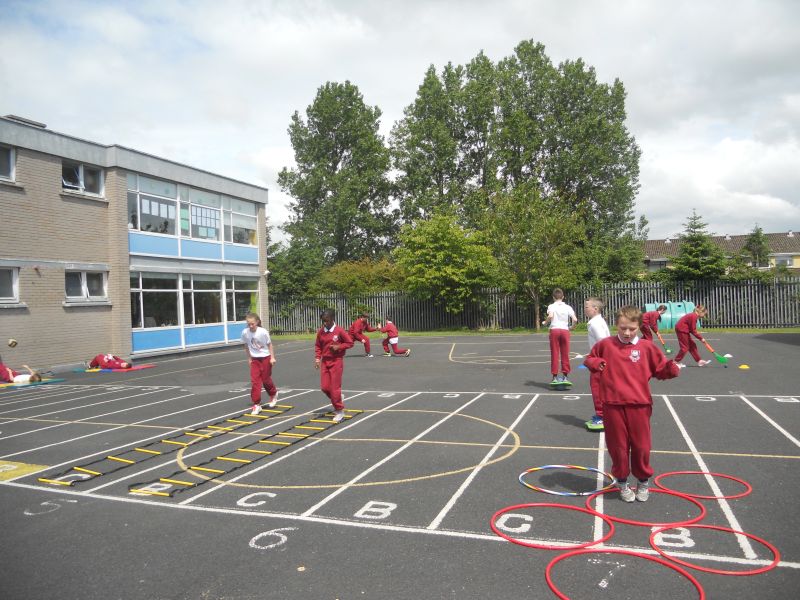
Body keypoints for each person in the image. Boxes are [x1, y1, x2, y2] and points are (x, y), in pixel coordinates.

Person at [584, 306, 680, 502]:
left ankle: (643, 481)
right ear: (616, 325)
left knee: (642, 446)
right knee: (618, 447)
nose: (627, 333)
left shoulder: (647, 347)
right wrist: (595, 363)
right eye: (623, 328)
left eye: (632, 329)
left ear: (639, 327)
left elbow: (660, 369)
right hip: (612, 405)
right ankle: (622, 482)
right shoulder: (605, 345)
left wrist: (672, 369)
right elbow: (590, 359)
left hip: (639, 405)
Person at [315, 308, 354, 422]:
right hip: (325, 362)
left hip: (336, 361)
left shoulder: (339, 331)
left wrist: (339, 347)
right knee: (324, 387)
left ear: (332, 319)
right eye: (323, 321)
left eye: (326, 320)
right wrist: (317, 358)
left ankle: (339, 411)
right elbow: (318, 345)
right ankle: (337, 398)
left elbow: (350, 343)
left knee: (334, 388)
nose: (325, 323)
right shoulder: (321, 332)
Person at [241, 311, 278, 416]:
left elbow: (269, 345)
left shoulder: (263, 332)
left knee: (266, 379)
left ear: (257, 322)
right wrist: (249, 358)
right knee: (255, 381)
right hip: (255, 359)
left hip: (265, 357)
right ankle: (256, 404)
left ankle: (273, 393)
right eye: (248, 324)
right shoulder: (245, 332)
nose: (250, 326)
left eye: (252, 324)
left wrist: (272, 357)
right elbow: (246, 346)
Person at [584, 297, 611, 430]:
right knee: (600, 388)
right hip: (599, 359)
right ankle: (602, 415)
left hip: (598, 361)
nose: (585, 309)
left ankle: (601, 416)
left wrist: (598, 359)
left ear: (595, 309)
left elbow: (603, 342)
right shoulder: (597, 321)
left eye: (587, 307)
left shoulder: (595, 324)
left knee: (597, 389)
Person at [542, 288, 577, 385]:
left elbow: (550, 316)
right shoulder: (568, 307)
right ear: (563, 297)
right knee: (565, 353)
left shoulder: (551, 306)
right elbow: (575, 319)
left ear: (553, 297)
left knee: (555, 353)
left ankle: (555, 377)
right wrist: (572, 327)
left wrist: (545, 322)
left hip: (555, 330)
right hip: (565, 330)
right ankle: (565, 377)